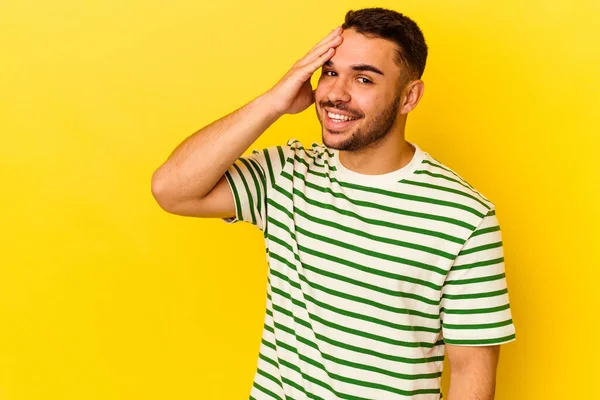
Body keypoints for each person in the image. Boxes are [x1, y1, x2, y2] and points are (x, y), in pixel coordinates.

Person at [151, 7, 516, 400]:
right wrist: (274, 101)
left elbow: (470, 374)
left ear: (409, 96)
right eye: (329, 72)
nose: (335, 94)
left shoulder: (464, 216)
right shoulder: (286, 174)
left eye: (363, 78)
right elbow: (172, 189)